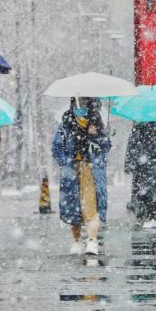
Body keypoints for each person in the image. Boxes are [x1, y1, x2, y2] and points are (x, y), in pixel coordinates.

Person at [52, 98, 112, 257]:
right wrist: (66, 163)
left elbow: (106, 146)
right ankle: (77, 240)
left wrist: (96, 136)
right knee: (73, 207)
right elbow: (56, 148)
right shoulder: (66, 124)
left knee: (91, 205)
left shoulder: (97, 122)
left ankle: (92, 241)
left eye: (85, 103)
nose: (82, 107)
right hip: (72, 171)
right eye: (79, 103)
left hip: (91, 170)